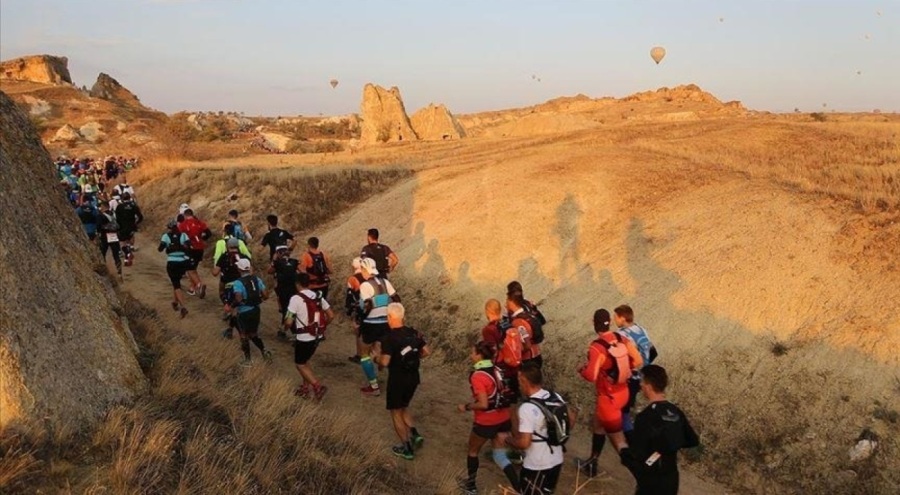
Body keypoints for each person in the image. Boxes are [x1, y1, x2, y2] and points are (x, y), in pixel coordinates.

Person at [576, 309, 643, 478]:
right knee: (598, 425)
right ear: (610, 323)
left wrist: (582, 370)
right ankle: (592, 462)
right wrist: (622, 371)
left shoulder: (597, 347)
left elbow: (591, 376)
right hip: (623, 392)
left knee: (619, 443)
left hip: (608, 399)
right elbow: (638, 360)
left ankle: (642, 476)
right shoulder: (621, 338)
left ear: (593, 322)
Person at [620, 365, 699, 495]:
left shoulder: (645, 416)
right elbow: (692, 440)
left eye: (642, 382)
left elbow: (637, 454)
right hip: (671, 477)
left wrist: (623, 450)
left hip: (651, 480)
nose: (640, 386)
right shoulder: (675, 411)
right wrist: (669, 445)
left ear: (648, 386)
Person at [457, 341, 519, 494]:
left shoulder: (478, 375)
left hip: (486, 421)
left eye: (473, 352)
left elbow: (483, 404)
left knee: (472, 451)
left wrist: (466, 406)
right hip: (503, 418)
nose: (471, 355)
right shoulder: (497, 369)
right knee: (499, 455)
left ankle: (471, 486)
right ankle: (520, 488)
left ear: (479, 355)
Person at [507, 362, 574, 495]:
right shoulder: (554, 396)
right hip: (556, 460)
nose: (518, 384)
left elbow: (524, 443)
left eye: (519, 380)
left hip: (536, 464)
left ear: (524, 380)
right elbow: (570, 420)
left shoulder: (527, 408)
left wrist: (509, 440)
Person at [377, 303, 430, 460]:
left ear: (389, 318)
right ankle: (414, 433)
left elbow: (385, 362)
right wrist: (413, 357)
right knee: (403, 406)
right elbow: (426, 351)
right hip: (413, 377)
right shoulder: (414, 333)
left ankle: (406, 448)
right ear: (402, 316)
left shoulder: (389, 338)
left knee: (395, 411)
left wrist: (376, 359)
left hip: (397, 379)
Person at [284, 272, 333, 400]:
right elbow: (331, 315)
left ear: (297, 284)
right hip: (316, 336)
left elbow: (289, 321)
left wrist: (286, 327)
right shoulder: (317, 296)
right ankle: (305, 388)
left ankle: (317, 386)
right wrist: (322, 327)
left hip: (303, 337)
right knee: (305, 361)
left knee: (299, 364)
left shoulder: (295, 298)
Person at [357, 258, 400, 396]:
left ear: (364, 270)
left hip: (370, 324)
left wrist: (363, 318)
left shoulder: (365, 285)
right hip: (385, 323)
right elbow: (397, 298)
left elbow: (368, 305)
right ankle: (395, 380)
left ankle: (374, 386)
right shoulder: (385, 282)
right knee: (383, 352)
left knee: (364, 354)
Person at [614, 305, 658, 437]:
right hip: (641, 376)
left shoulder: (622, 335)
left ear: (622, 318)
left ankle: (633, 444)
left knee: (623, 412)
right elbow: (653, 352)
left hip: (629, 378)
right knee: (627, 409)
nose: (614, 320)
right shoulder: (641, 329)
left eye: (615, 317)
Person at [231, 259, 272, 366]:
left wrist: (232, 306)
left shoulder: (238, 282)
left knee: (243, 335)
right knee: (253, 333)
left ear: (239, 269)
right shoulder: (257, 279)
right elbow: (266, 295)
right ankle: (264, 350)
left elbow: (238, 298)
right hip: (256, 310)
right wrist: (259, 300)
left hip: (244, 312)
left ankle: (248, 360)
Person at [212, 237, 249, 339]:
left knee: (222, 294)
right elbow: (251, 271)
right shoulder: (244, 256)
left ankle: (230, 326)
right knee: (237, 306)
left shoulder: (224, 256)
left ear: (227, 246)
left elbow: (215, 273)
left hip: (228, 284)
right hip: (242, 283)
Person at [157, 220, 193, 318]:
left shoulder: (166, 236)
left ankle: (183, 307)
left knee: (176, 284)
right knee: (176, 282)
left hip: (172, 262)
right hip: (182, 262)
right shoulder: (184, 235)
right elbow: (189, 246)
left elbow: (160, 249)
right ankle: (175, 302)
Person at [269, 245, 299, 338]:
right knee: (290, 308)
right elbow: (301, 272)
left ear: (278, 253)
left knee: (286, 310)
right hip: (293, 289)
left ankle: (292, 331)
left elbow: (269, 271)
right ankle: (284, 329)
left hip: (282, 289)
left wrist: (273, 261)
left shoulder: (277, 262)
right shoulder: (294, 261)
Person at [507, 294, 541, 368]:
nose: (505, 305)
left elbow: (527, 344)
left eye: (507, 302)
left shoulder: (518, 322)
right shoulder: (528, 314)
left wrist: (515, 353)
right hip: (537, 353)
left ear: (511, 303)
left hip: (528, 359)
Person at [344, 257, 366, 363]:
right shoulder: (369, 276)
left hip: (359, 307)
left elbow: (350, 295)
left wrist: (349, 309)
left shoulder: (353, 278)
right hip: (370, 307)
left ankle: (359, 354)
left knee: (359, 332)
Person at [114, 192, 143, 267]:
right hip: (131, 227)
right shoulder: (133, 206)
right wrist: (136, 223)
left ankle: (127, 255)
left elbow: (116, 218)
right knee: (130, 241)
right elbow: (140, 217)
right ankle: (127, 257)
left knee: (122, 243)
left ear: (122, 199)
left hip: (122, 227)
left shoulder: (119, 206)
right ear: (129, 198)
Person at [97, 200, 123, 277]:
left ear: (103, 207)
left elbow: (98, 226)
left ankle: (104, 271)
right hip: (114, 235)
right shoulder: (114, 214)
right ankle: (119, 272)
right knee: (116, 255)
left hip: (105, 235)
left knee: (103, 253)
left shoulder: (100, 215)